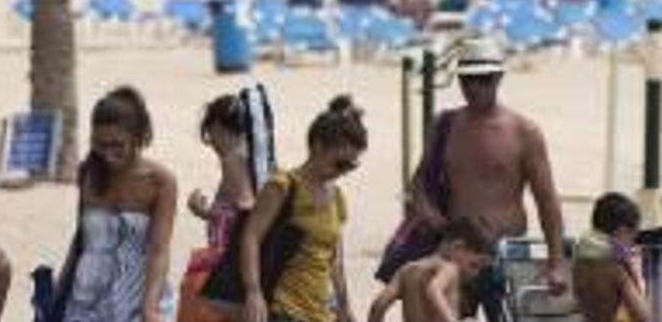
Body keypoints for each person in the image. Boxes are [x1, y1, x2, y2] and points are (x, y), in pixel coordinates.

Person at [400, 38, 565, 321]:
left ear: (499, 78)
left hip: (504, 255)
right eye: (468, 80)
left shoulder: (524, 132)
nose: (474, 88)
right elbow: (419, 183)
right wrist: (433, 218)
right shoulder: (445, 125)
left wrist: (556, 262)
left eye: (484, 80)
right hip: (455, 253)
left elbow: (547, 201)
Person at [241, 95, 366, 322]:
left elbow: (335, 260)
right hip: (282, 307)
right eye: (340, 163)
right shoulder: (283, 187)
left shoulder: (336, 197)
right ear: (318, 146)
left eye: (351, 166)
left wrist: (344, 308)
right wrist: (253, 291)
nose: (344, 171)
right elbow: (250, 236)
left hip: (320, 311)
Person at [60, 86, 177, 321]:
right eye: (100, 144)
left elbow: (159, 250)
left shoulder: (160, 182)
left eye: (117, 144)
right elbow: (81, 239)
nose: (107, 154)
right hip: (85, 300)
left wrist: (150, 308)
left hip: (139, 297)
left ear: (138, 137)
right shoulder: (88, 174)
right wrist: (60, 289)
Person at [180, 94, 256, 322]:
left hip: (228, 262)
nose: (211, 142)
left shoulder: (232, 159)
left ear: (218, 127)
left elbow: (245, 212)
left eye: (210, 134)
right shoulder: (253, 156)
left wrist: (202, 211)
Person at [367, 217, 495, 322]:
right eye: (474, 265)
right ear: (457, 247)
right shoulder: (449, 268)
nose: (475, 274)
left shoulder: (406, 269)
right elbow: (434, 289)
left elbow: (379, 304)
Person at [572, 193, 651, 322]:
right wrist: (631, 269)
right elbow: (643, 316)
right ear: (622, 231)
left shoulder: (579, 262)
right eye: (633, 238)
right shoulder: (615, 271)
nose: (632, 245)